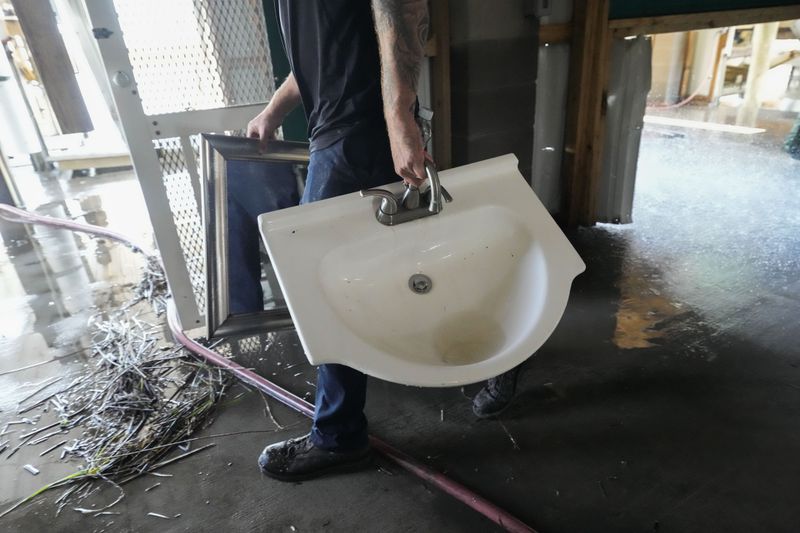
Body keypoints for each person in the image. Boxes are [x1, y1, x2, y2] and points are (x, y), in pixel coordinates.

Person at [247, 0, 520, 481]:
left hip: (358, 132)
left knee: (321, 287)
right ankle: (508, 347)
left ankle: (339, 437)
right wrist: (275, 108)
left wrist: (398, 120)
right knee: (407, 264)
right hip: (340, 131)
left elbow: (402, 8)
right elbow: (326, 52)